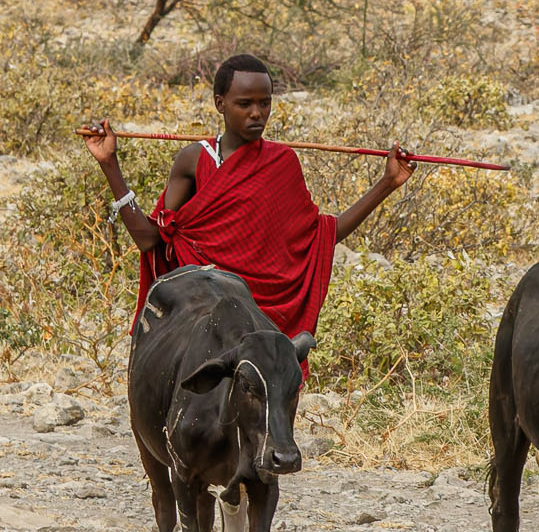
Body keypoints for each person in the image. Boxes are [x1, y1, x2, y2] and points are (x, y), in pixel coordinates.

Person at [80, 53, 414, 344]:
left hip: (262, 322)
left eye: (264, 103)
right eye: (244, 104)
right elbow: (149, 239)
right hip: (200, 314)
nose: (257, 113)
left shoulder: (282, 163)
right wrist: (109, 163)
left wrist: (387, 183)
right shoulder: (194, 160)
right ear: (219, 104)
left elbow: (321, 237)